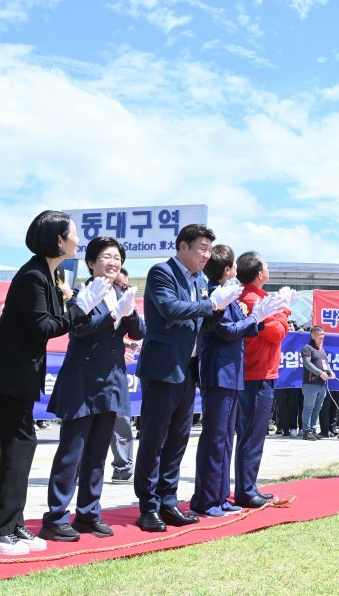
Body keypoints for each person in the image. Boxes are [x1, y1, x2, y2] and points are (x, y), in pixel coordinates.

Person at [0, 211, 107, 555]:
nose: (78, 238)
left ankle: (13, 525)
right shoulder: (33, 275)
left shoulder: (50, 273)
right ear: (58, 240)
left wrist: (76, 304)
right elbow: (44, 327)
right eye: (73, 233)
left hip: (21, 373)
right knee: (18, 447)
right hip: (7, 373)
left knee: (23, 446)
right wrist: (80, 307)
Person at [134, 224, 241, 532]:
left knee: (178, 440)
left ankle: (168, 501)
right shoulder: (161, 273)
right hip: (163, 369)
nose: (206, 255)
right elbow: (169, 309)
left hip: (188, 369)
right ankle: (148, 507)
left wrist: (219, 310)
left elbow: (204, 325)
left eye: (209, 249)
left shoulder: (197, 282)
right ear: (183, 246)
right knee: (154, 439)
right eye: (201, 248)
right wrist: (211, 304)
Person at [39, 236, 142, 542]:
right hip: (82, 383)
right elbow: (80, 328)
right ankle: (56, 516)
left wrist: (130, 311)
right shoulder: (81, 294)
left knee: (98, 453)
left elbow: (138, 332)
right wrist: (113, 315)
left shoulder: (119, 294)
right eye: (107, 257)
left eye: (118, 259)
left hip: (110, 383)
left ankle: (88, 513)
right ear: (91, 263)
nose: (113, 263)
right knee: (72, 452)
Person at [191, 245, 282, 517]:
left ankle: (219, 497)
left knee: (225, 441)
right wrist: (257, 317)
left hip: (231, 374)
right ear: (228, 270)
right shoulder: (215, 295)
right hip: (219, 373)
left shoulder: (229, 295)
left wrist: (255, 317)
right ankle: (206, 500)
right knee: (215, 439)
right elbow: (228, 331)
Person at [235, 251, 292, 507]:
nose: (268, 268)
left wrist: (278, 309)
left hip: (255, 373)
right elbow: (277, 332)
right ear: (259, 274)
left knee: (251, 435)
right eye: (266, 265)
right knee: (252, 436)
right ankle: (246, 491)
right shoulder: (251, 299)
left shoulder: (254, 297)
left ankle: (248, 487)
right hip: (257, 375)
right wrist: (285, 309)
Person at [109, 268, 138, 485]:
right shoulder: (89, 297)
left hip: (117, 371)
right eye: (120, 286)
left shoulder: (127, 306)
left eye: (126, 287)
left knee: (121, 419)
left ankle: (123, 467)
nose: (123, 290)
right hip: (93, 372)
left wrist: (127, 344)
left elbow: (139, 332)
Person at [299, 327, 334, 440]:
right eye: (320, 334)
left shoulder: (321, 350)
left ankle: (313, 429)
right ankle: (306, 431)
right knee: (309, 407)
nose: (322, 337)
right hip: (311, 383)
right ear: (312, 335)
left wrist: (330, 372)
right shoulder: (307, 348)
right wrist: (319, 373)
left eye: (323, 334)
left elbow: (325, 364)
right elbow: (307, 363)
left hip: (322, 384)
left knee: (317, 408)